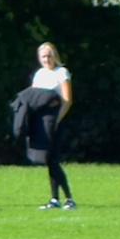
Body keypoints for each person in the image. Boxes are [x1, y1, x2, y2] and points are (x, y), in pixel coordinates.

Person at [32, 42, 75, 208]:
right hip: (42, 122)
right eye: (43, 56)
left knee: (53, 159)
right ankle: (54, 198)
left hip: (55, 121)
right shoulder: (39, 74)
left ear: (54, 56)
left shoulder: (61, 72)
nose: (46, 59)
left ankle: (68, 198)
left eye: (49, 56)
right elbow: (33, 97)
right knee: (49, 160)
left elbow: (67, 100)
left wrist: (57, 120)